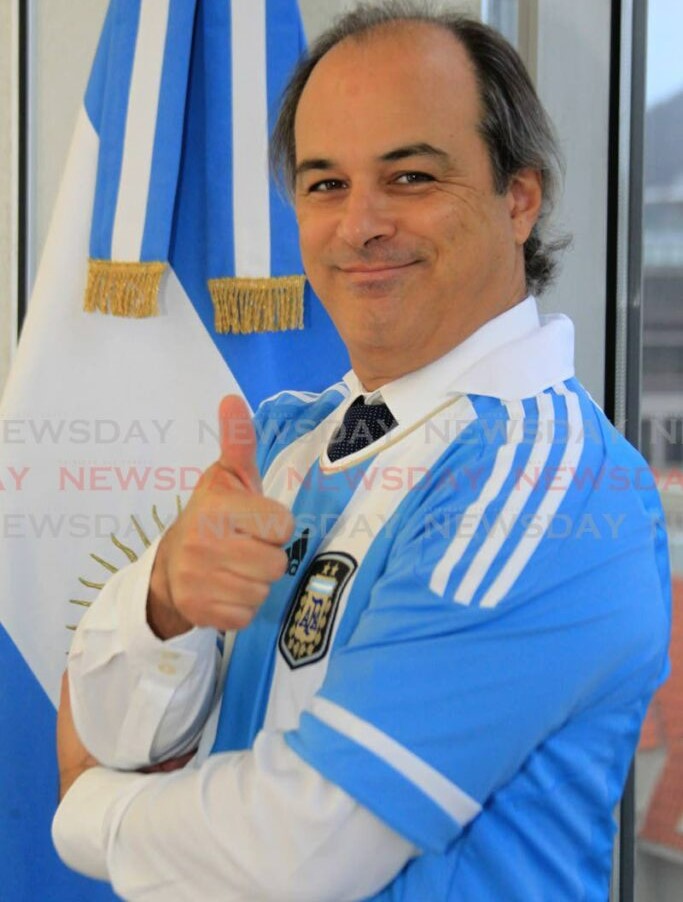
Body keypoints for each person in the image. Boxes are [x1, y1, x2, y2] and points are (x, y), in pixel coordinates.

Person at [52, 3, 671, 899]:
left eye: (410, 176)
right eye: (324, 184)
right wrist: (164, 598)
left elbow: (304, 851)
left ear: (519, 198)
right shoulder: (288, 438)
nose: (360, 224)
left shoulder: (550, 484)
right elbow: (117, 730)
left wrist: (83, 811)